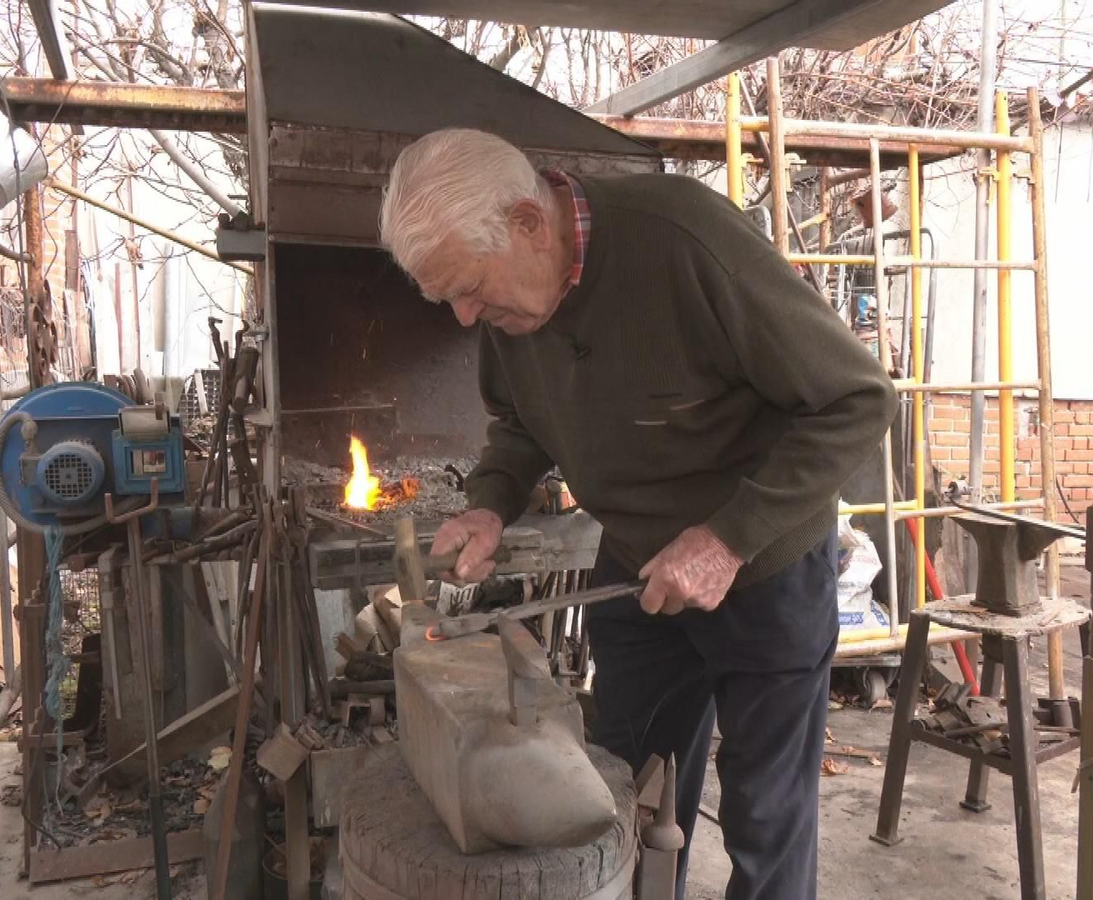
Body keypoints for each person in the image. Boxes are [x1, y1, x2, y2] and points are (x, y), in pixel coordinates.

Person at [378, 128, 896, 900]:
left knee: (765, 815)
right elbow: (521, 424)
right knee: (620, 797)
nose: (462, 316)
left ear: (529, 222)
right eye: (447, 296)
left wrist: (727, 540)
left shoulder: (685, 242)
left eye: (471, 289)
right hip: (636, 571)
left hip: (765, 571)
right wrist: (489, 505)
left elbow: (859, 401)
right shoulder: (506, 309)